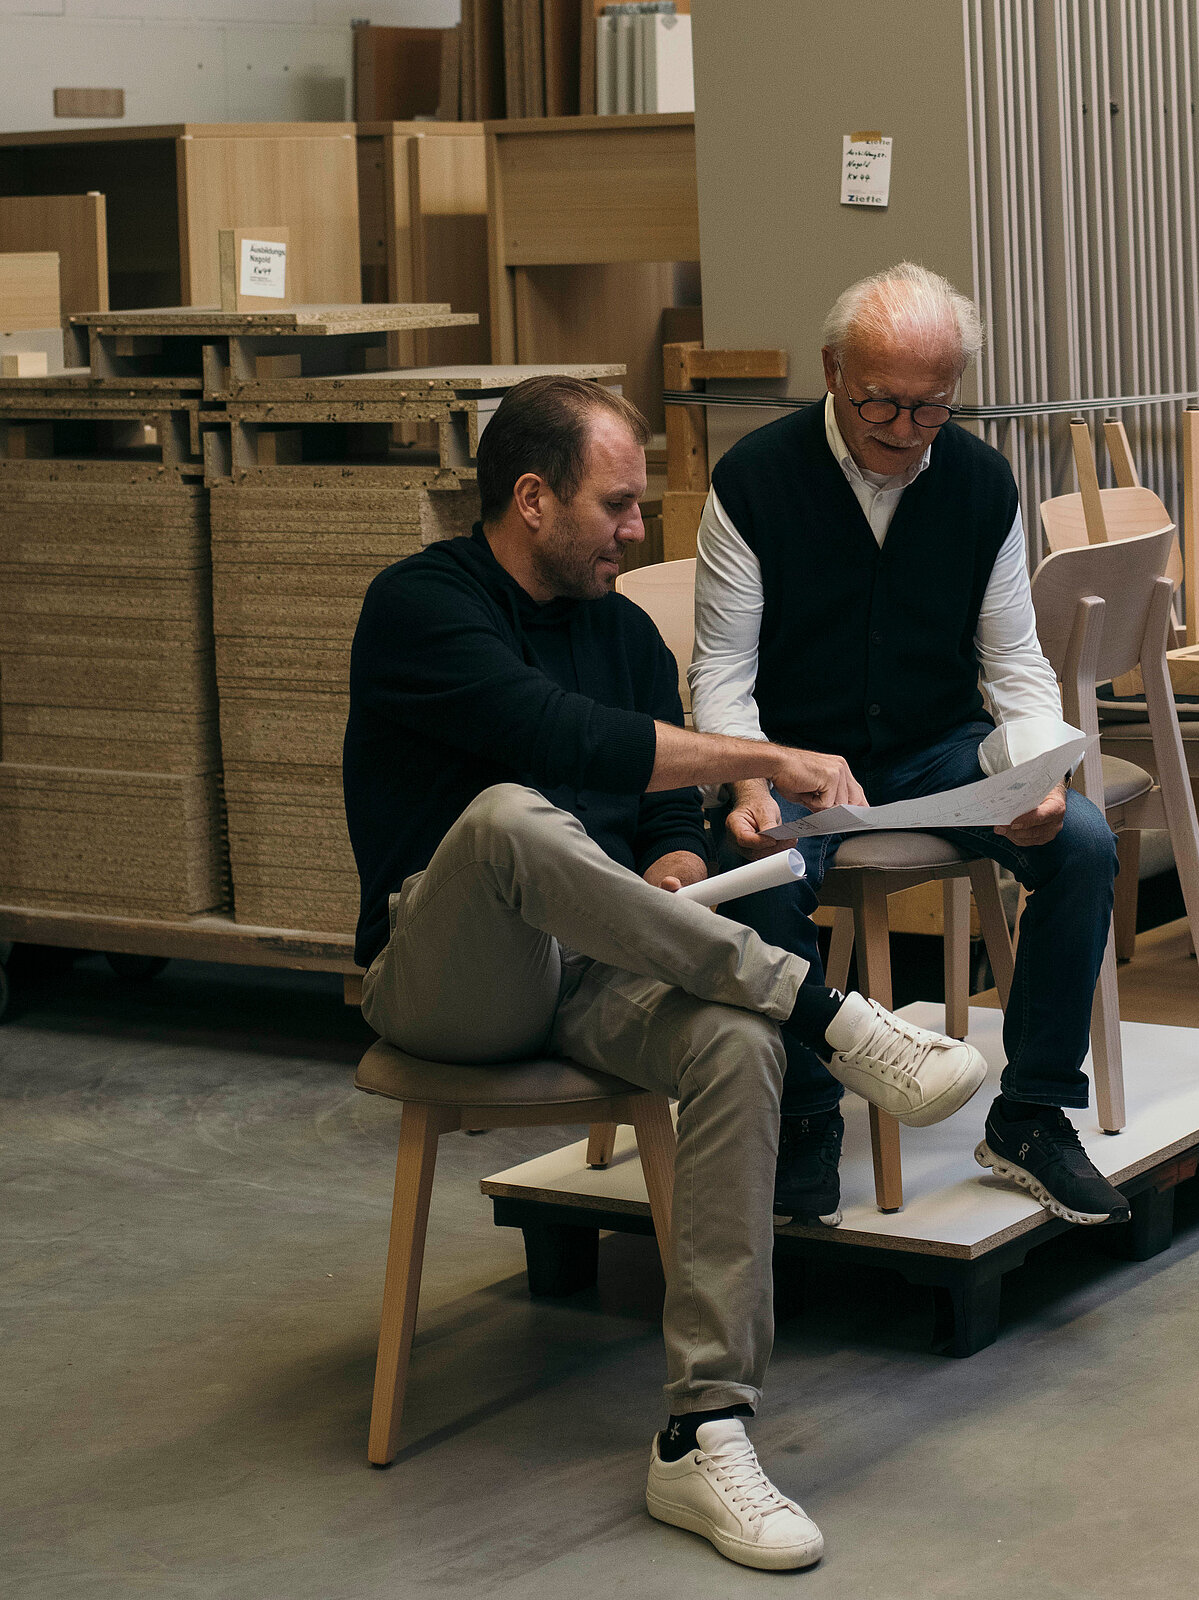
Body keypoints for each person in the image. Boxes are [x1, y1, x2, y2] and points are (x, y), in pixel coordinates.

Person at [342, 375, 988, 1572]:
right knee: (507, 817)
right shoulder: (421, 607)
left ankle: (704, 1426)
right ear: (531, 499)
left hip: (595, 970)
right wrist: (763, 750)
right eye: (622, 506)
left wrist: (689, 859)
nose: (643, 533)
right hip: (445, 984)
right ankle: (831, 1013)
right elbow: (563, 741)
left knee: (734, 1041)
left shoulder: (627, 633)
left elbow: (657, 827)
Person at [691, 261, 1128, 1231]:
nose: (901, 429)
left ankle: (1033, 1112)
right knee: (756, 868)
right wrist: (750, 780)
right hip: (799, 757)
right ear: (833, 369)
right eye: (878, 402)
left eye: (929, 409)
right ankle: (806, 1113)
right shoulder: (754, 480)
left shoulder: (980, 483)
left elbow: (1015, 665)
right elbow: (721, 668)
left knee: (1085, 841)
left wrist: (1035, 767)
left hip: (936, 747)